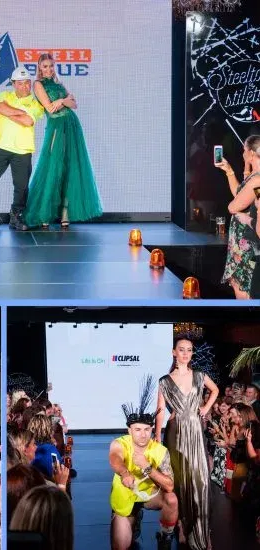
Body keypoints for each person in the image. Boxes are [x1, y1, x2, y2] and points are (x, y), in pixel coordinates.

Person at [24, 53, 103, 229]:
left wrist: (65, 101)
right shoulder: (38, 84)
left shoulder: (59, 83)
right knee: (52, 167)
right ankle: (44, 212)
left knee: (70, 167)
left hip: (72, 127)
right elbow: (50, 108)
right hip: (56, 127)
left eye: (51, 65)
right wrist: (64, 100)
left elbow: (74, 105)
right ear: (40, 67)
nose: (49, 69)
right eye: (45, 66)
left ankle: (65, 213)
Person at [155, 335, 219, 550]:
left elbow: (215, 390)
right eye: (181, 349)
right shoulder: (165, 381)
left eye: (189, 350)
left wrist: (205, 408)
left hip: (196, 431)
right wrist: (157, 437)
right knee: (180, 479)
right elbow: (160, 410)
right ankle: (182, 526)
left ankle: (203, 531)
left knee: (200, 481)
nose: (185, 353)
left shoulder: (199, 375)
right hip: (176, 433)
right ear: (174, 352)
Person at [110, 376, 178, 550]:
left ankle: (165, 536)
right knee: (121, 546)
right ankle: (132, 517)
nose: (143, 434)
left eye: (147, 429)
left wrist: (147, 467)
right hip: (126, 495)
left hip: (150, 495)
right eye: (137, 429)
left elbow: (169, 485)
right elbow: (115, 459)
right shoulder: (120, 443)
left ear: (152, 430)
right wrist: (125, 473)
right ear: (129, 430)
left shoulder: (159, 451)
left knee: (171, 499)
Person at [0, 66, 44, 232]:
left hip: (23, 150)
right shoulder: (4, 95)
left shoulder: (36, 104)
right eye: (20, 83)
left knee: (21, 187)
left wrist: (9, 112)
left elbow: (28, 121)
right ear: (13, 84)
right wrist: (21, 112)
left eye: (27, 83)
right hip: (1, 146)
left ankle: (16, 217)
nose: (24, 86)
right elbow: (0, 108)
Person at [217, 137, 260, 299]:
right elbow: (240, 194)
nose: (242, 154)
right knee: (240, 283)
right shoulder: (254, 176)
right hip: (243, 239)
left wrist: (239, 211)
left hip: (247, 241)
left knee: (243, 285)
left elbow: (233, 207)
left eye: (244, 151)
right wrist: (229, 171)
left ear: (251, 153)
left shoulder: (257, 180)